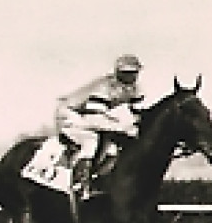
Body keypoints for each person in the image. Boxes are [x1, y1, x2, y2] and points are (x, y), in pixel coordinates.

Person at [55, 54, 145, 197]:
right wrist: (124, 129)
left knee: (112, 149)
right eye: (128, 73)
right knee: (91, 141)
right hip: (70, 113)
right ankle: (79, 183)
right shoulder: (104, 87)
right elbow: (95, 119)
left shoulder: (134, 88)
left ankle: (97, 180)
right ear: (118, 72)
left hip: (92, 115)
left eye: (134, 73)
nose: (132, 77)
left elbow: (138, 114)